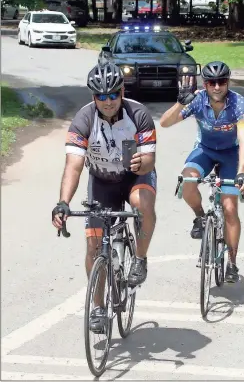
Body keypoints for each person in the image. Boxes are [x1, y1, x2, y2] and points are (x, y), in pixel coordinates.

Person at [52, 57, 157, 331]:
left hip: (136, 176)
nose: (108, 101)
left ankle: (140, 259)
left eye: (113, 94)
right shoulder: (83, 120)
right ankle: (98, 308)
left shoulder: (139, 115)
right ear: (94, 96)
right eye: (101, 96)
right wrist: (63, 202)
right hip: (101, 181)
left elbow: (150, 160)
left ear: (122, 92)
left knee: (141, 204)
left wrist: (141, 163)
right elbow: (73, 167)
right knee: (93, 246)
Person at [160, 61, 244, 283]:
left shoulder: (238, 103)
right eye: (212, 82)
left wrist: (242, 172)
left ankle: (232, 262)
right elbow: (164, 123)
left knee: (229, 208)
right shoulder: (198, 99)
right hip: (205, 150)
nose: (217, 87)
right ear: (205, 83)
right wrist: (180, 103)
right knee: (187, 181)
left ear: (228, 82)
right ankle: (201, 217)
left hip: (230, 154)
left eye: (222, 82)